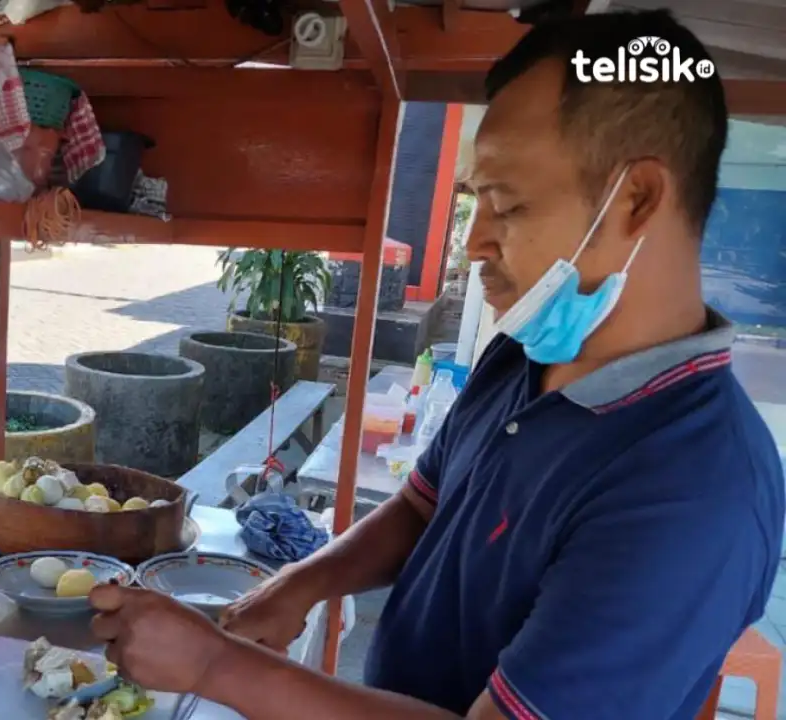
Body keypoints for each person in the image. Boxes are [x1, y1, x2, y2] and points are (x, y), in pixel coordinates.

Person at [89, 9, 786, 719]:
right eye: (472, 203)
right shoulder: (523, 353)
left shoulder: (695, 488)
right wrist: (298, 584)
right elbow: (424, 506)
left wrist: (214, 664)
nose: (472, 243)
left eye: (506, 205)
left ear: (637, 198)